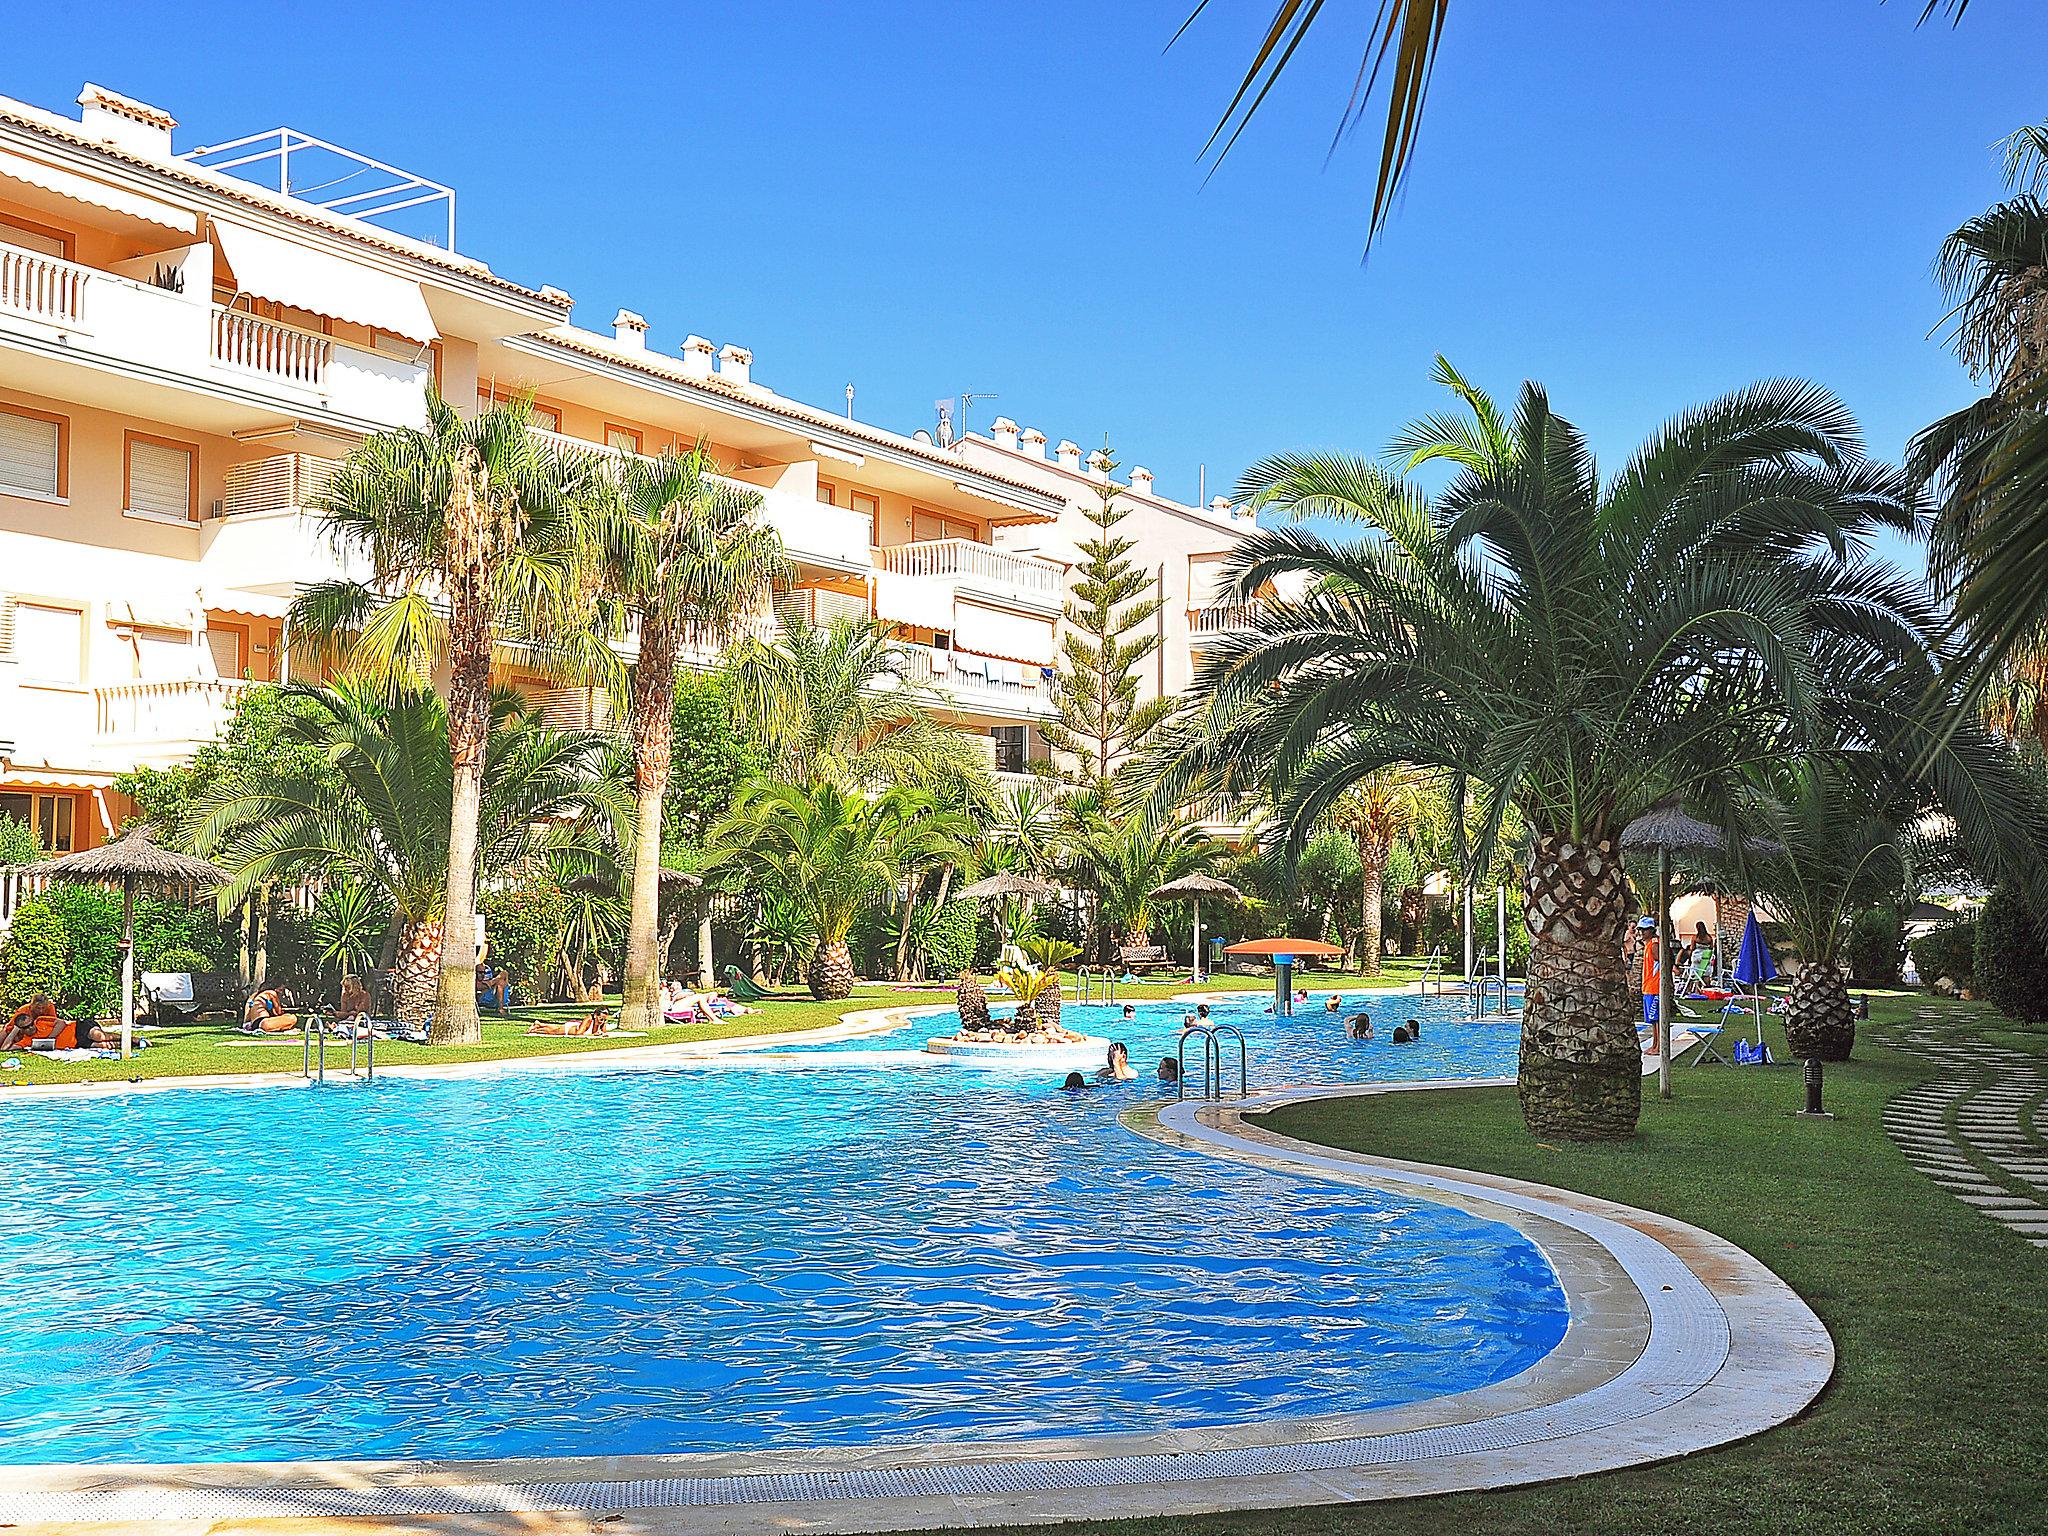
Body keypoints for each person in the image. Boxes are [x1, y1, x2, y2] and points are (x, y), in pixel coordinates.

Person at [1637, 915, 1660, 1029]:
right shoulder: (1648, 944)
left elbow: (1660, 960)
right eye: (1640, 929)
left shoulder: (1654, 943)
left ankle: (1658, 1044)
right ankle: (1655, 1043)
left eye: (1644, 929)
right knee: (1652, 1020)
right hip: (1648, 985)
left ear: (1651, 930)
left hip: (1654, 986)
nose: (1641, 932)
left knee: (1655, 1018)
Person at [526, 1006, 612, 1037]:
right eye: (601, 1019)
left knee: (555, 1027)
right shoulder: (589, 1019)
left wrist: (602, 1032)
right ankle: (534, 1030)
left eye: (604, 1019)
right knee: (552, 1031)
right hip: (570, 1029)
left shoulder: (602, 1022)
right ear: (596, 1015)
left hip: (574, 1026)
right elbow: (579, 1033)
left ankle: (539, 1024)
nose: (602, 1021)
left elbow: (604, 1033)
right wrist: (593, 1034)